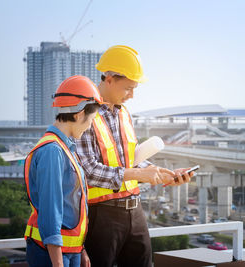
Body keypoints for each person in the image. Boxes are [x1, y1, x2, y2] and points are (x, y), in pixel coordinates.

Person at [76, 45, 194, 267]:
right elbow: (88, 171)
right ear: (109, 79)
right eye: (128, 88)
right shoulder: (85, 114)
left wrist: (162, 174)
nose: (132, 95)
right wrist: (140, 173)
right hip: (101, 215)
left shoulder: (124, 113)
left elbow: (132, 159)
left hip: (135, 211)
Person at [24, 75, 103, 267]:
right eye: (91, 119)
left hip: (69, 251)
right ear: (78, 114)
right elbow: (51, 212)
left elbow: (71, 205)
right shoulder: (53, 151)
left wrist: (80, 249)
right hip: (52, 256)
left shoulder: (65, 148)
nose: (90, 126)